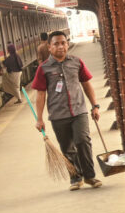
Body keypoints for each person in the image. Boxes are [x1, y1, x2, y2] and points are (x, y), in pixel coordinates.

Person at [31, 30, 103, 191]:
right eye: (56, 44)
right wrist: (40, 119)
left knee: (82, 141)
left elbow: (86, 84)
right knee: (67, 148)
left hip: (79, 111)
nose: (60, 46)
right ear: (49, 47)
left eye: (63, 43)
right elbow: (41, 94)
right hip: (58, 115)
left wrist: (95, 105)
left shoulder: (77, 62)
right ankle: (75, 178)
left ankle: (90, 176)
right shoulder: (43, 68)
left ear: (67, 44)